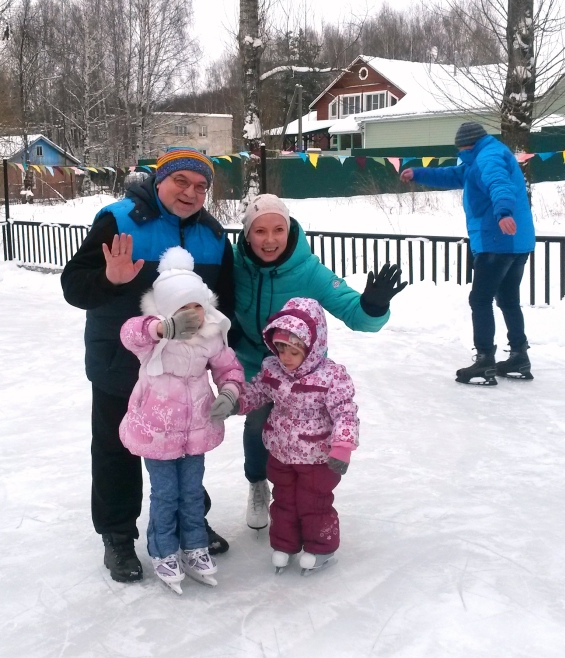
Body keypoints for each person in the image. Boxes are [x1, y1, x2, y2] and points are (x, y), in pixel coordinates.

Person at [61, 148, 234, 584]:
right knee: (116, 450)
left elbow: (225, 304)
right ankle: (118, 535)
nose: (191, 192)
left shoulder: (213, 237)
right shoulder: (118, 221)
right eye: (181, 181)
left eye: (201, 186)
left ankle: (191, 525)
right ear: (160, 181)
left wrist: (225, 363)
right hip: (120, 362)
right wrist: (109, 279)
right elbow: (74, 286)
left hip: (182, 373)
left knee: (185, 448)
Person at [232, 194, 404, 533]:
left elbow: (355, 314)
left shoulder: (308, 271)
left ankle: (305, 494)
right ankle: (257, 483)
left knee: (303, 433)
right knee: (257, 425)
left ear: (289, 230)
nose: (270, 240)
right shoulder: (236, 265)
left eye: (278, 230)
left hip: (303, 372)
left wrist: (372, 306)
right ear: (247, 235)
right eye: (260, 231)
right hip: (255, 364)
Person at [118, 247, 244, 593]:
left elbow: (229, 368)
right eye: (182, 308)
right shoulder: (154, 339)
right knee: (165, 494)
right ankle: (163, 550)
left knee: (191, 492)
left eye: (197, 306)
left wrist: (230, 392)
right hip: (157, 432)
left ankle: (194, 546)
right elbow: (130, 332)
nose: (193, 314)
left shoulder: (211, 335)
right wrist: (163, 328)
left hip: (195, 429)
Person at [216, 297, 358, 575]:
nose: (286, 357)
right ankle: (285, 544)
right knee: (284, 501)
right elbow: (257, 392)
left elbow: (345, 412)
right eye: (281, 349)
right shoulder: (273, 369)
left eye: (294, 351)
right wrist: (236, 402)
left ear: (313, 347)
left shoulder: (331, 376)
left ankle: (321, 547)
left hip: (318, 458)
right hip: (280, 452)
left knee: (314, 503)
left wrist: (342, 446)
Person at [399, 121, 536, 385]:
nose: (459, 154)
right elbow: (454, 175)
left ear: (468, 145)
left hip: (496, 240)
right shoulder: (483, 157)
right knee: (508, 300)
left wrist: (503, 212)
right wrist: (418, 173)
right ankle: (519, 356)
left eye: (460, 149)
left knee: (480, 300)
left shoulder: (488, 158)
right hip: (516, 241)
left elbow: (499, 183)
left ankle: (485, 360)